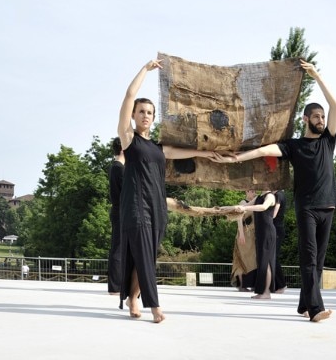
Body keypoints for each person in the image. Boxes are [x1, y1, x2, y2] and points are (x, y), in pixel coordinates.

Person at [217, 60, 336, 322]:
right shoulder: (293, 146)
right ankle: (315, 310)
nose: (321, 119)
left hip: (328, 206)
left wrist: (316, 74)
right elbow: (264, 150)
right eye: (316, 116)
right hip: (306, 206)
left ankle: (304, 304)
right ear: (306, 119)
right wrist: (236, 159)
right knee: (308, 258)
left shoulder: (329, 141)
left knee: (318, 261)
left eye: (322, 117)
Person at [117, 58, 221, 324]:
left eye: (149, 113)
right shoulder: (129, 140)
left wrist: (210, 153)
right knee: (144, 255)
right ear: (134, 115)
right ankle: (155, 307)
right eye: (141, 111)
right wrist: (145, 70)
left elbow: (187, 152)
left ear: (153, 118)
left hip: (157, 208)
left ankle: (132, 297)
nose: (145, 116)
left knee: (147, 257)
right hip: (135, 207)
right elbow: (129, 96)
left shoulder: (159, 148)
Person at [232, 190, 278, 299]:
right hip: (260, 232)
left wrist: (245, 208)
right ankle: (262, 291)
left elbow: (263, 207)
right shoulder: (258, 197)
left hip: (267, 232)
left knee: (266, 262)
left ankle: (266, 292)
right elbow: (245, 205)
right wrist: (227, 209)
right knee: (261, 261)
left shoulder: (270, 196)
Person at [107, 137, 125, 295]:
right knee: (118, 248)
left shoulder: (117, 166)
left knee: (120, 247)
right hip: (121, 210)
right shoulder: (118, 167)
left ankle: (119, 285)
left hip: (120, 210)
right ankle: (115, 286)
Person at [230, 191, 258, 292]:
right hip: (244, 234)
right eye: (252, 191)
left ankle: (254, 283)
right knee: (242, 258)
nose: (254, 193)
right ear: (247, 191)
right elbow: (239, 218)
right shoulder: (243, 202)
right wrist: (241, 233)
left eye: (255, 191)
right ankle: (241, 284)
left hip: (253, 235)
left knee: (254, 260)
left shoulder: (256, 203)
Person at [271, 189, 288, 294]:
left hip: (276, 229)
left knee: (274, 258)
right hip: (277, 229)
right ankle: (277, 285)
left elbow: (274, 214)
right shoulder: (281, 194)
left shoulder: (278, 195)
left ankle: (281, 285)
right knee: (272, 258)